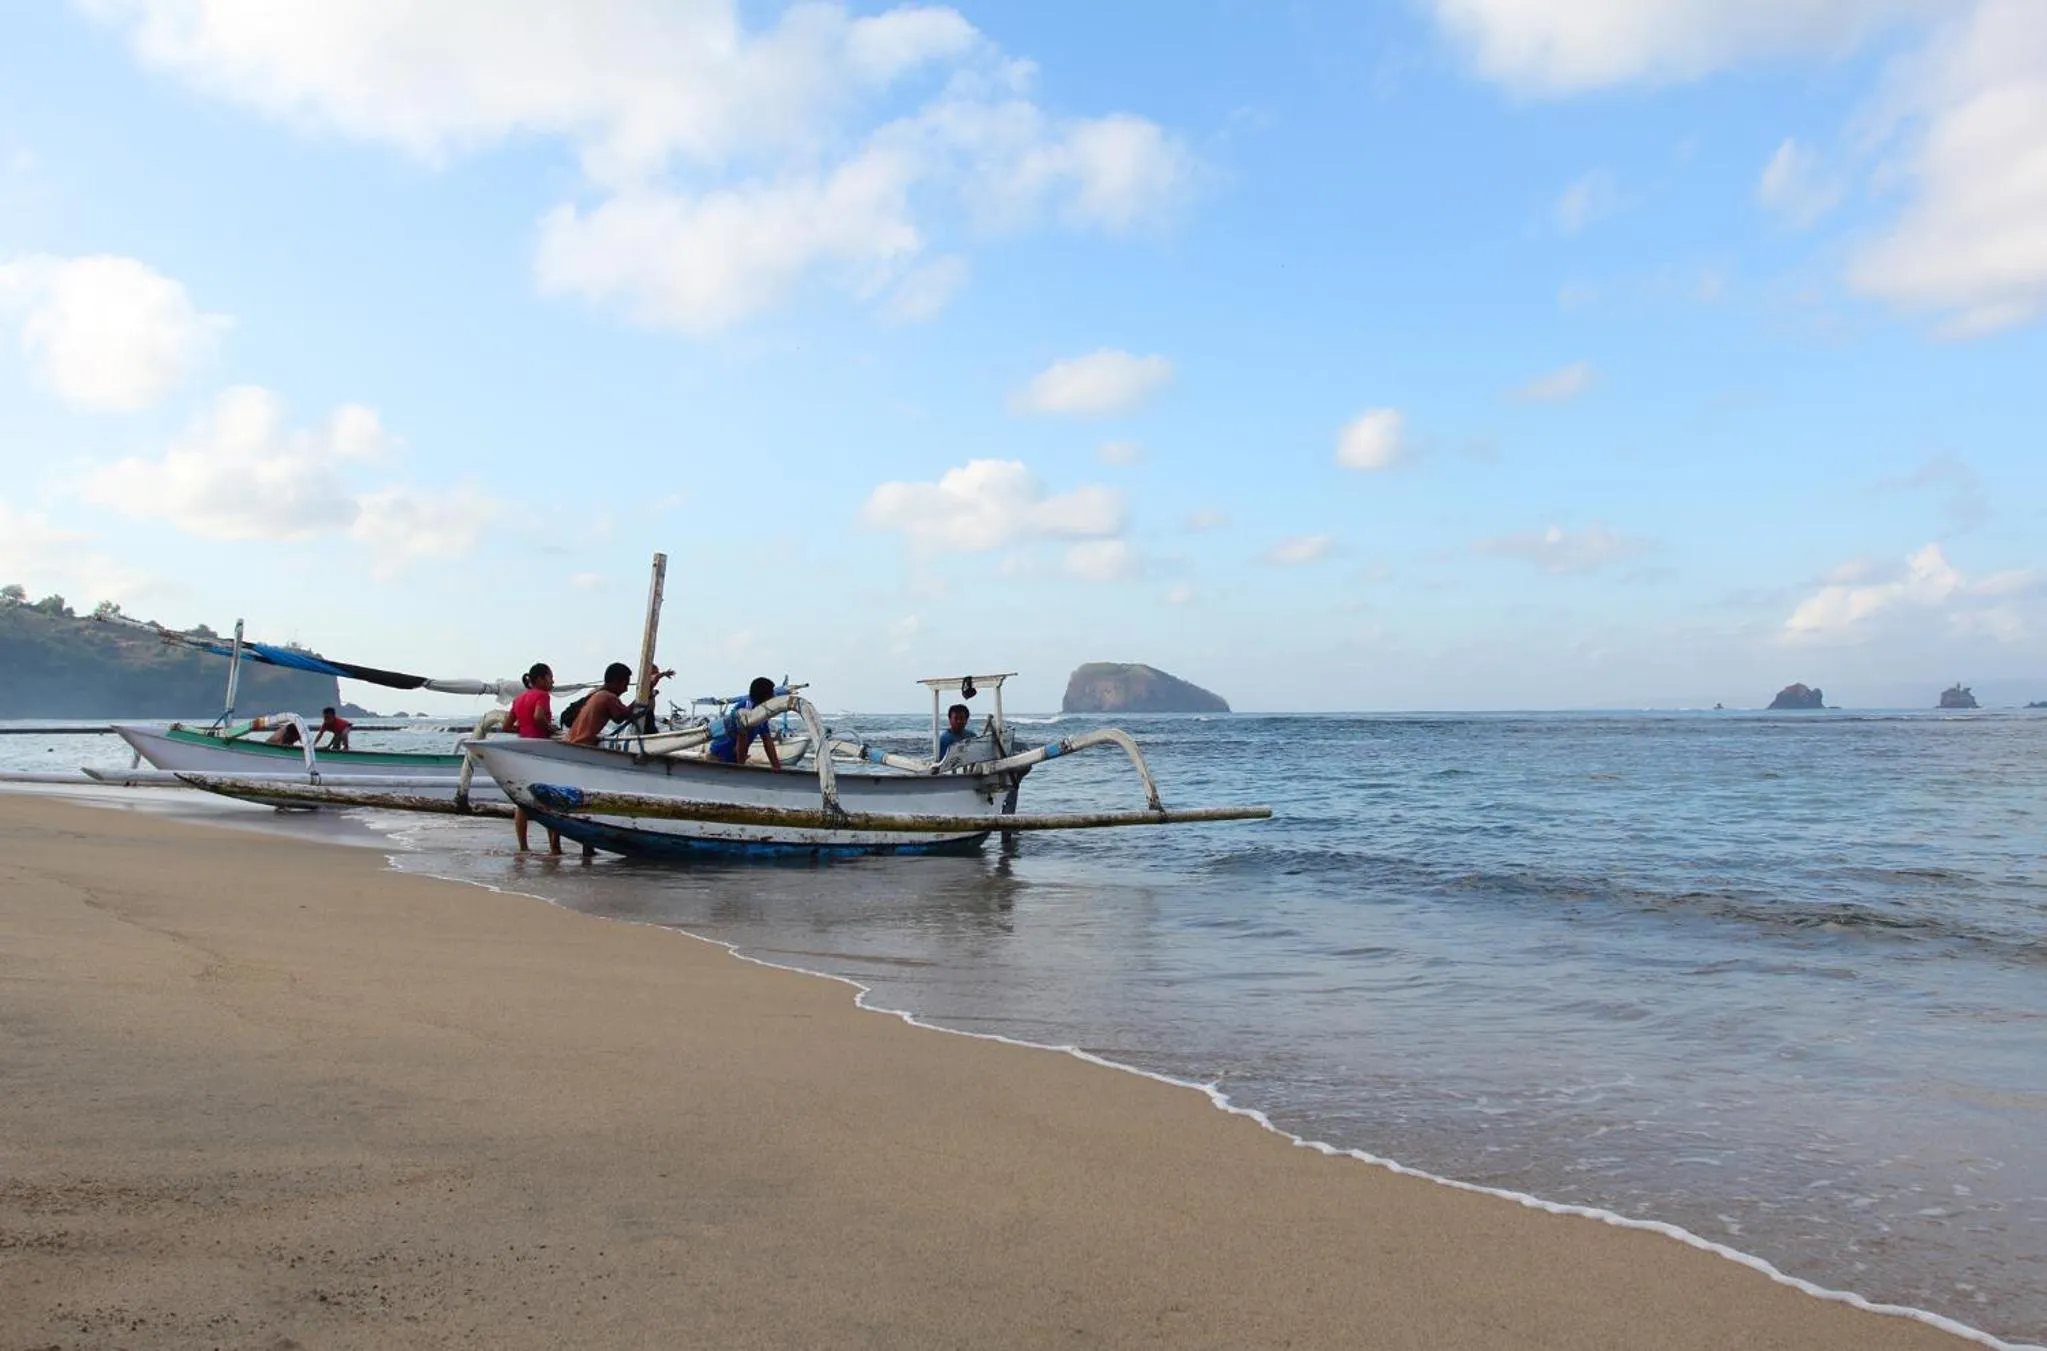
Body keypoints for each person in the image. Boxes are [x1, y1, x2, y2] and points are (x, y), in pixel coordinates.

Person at [506, 663, 561, 854]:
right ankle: (554, 847)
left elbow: (506, 726)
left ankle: (523, 847)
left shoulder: (519, 698)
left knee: (522, 802)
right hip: (540, 752)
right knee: (550, 799)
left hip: (522, 750)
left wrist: (523, 729)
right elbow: (538, 717)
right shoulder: (542, 695)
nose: (553, 681)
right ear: (539, 679)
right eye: (550, 677)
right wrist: (550, 728)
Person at [567, 662, 664, 745]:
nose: (625, 690)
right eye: (625, 685)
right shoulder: (608, 697)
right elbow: (622, 717)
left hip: (572, 741)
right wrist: (648, 689)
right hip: (581, 744)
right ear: (616, 682)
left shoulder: (597, 695)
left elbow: (619, 718)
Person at [706, 676, 783, 768]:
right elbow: (741, 739)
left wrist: (777, 768)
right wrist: (741, 768)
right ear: (765, 696)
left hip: (734, 759)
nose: (774, 697)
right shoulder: (745, 709)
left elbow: (767, 740)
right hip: (718, 758)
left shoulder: (762, 713)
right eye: (772, 694)